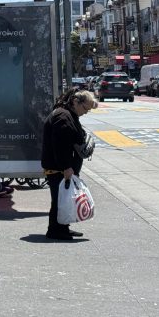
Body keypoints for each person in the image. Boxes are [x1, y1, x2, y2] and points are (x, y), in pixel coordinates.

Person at [41, 87, 97, 240]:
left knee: (62, 198)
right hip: (58, 167)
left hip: (59, 166)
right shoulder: (63, 118)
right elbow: (60, 145)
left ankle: (62, 228)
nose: (86, 112)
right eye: (85, 108)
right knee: (60, 199)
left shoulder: (66, 114)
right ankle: (55, 230)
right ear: (75, 102)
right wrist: (66, 167)